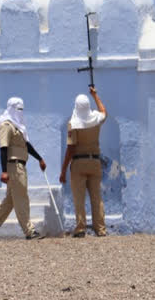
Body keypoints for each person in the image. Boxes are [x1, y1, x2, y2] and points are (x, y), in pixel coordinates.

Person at [0, 97, 46, 241]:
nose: (21, 112)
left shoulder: (18, 127)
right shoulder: (6, 125)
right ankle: (29, 231)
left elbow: (27, 145)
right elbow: (3, 148)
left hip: (20, 165)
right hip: (14, 166)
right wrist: (4, 171)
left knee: (10, 200)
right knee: (22, 197)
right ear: (11, 108)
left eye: (22, 109)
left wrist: (39, 158)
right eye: (18, 109)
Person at [59, 86, 107, 238]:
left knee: (79, 198)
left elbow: (71, 148)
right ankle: (100, 229)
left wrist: (63, 169)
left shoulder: (73, 123)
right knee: (96, 197)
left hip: (79, 163)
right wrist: (95, 95)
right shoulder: (95, 119)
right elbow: (104, 112)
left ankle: (80, 228)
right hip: (95, 162)